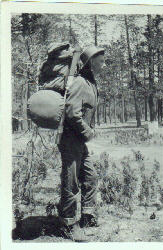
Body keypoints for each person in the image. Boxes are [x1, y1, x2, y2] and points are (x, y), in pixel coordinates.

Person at [57, 46, 105, 241]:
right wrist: (88, 132)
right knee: (71, 181)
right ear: (90, 62)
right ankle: (67, 224)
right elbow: (72, 113)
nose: (104, 63)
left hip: (78, 139)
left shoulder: (89, 82)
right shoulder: (79, 83)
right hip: (70, 139)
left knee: (90, 176)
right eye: (101, 60)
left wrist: (86, 133)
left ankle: (87, 215)